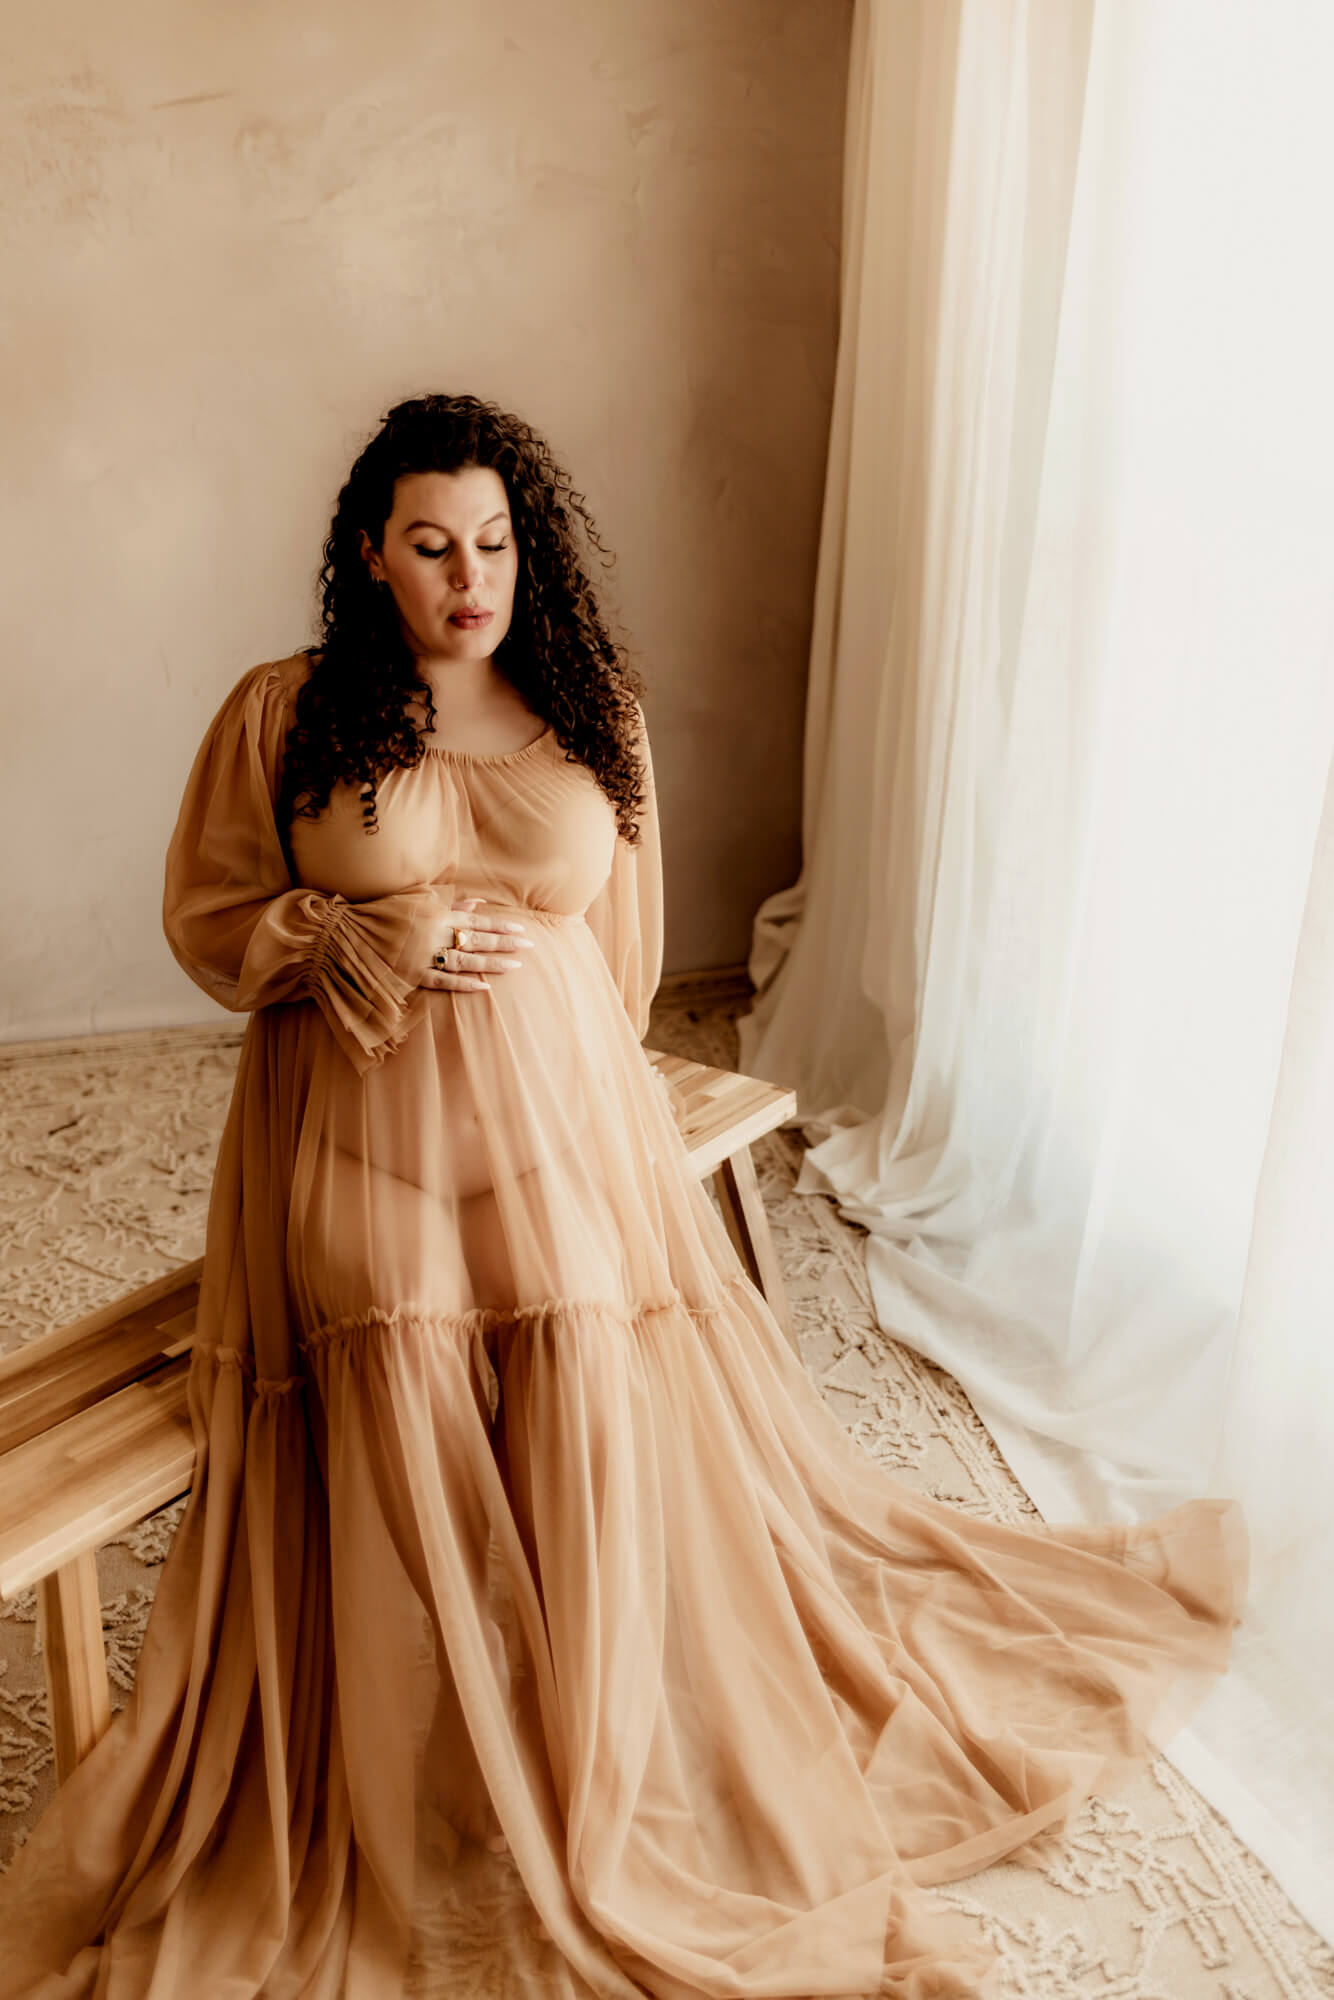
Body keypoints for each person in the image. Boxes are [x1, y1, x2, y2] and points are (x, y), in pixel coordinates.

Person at [0, 393, 1247, 1999]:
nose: (471, 579)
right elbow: (214, 916)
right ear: (370, 555)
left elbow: (626, 962)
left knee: (591, 1370)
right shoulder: (286, 714)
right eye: (434, 546)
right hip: (353, 1146)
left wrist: (578, 1095)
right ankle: (438, 1768)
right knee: (398, 1363)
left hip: (555, 1131)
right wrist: (337, 932)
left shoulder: (593, 710)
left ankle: (594, 1737)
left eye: (497, 545)